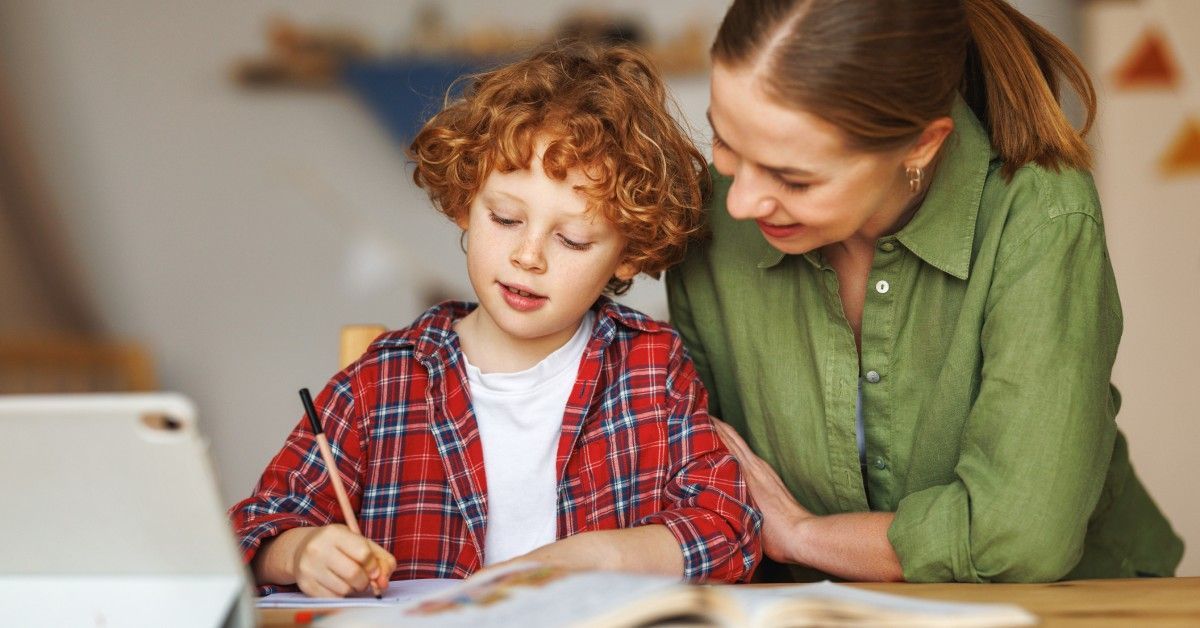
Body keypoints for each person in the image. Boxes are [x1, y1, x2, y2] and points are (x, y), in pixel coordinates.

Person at [666, 0, 1184, 583]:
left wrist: (800, 535)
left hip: (1072, 606)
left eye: (794, 178)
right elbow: (699, 482)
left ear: (919, 144)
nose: (739, 202)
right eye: (726, 141)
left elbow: (1019, 539)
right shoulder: (709, 219)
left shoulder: (1040, 216)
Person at [230, 41, 761, 597]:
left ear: (628, 253)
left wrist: (594, 555)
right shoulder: (385, 379)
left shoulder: (650, 367)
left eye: (573, 240)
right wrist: (301, 553)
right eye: (506, 218)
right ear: (465, 202)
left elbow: (728, 528)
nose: (528, 257)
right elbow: (253, 529)